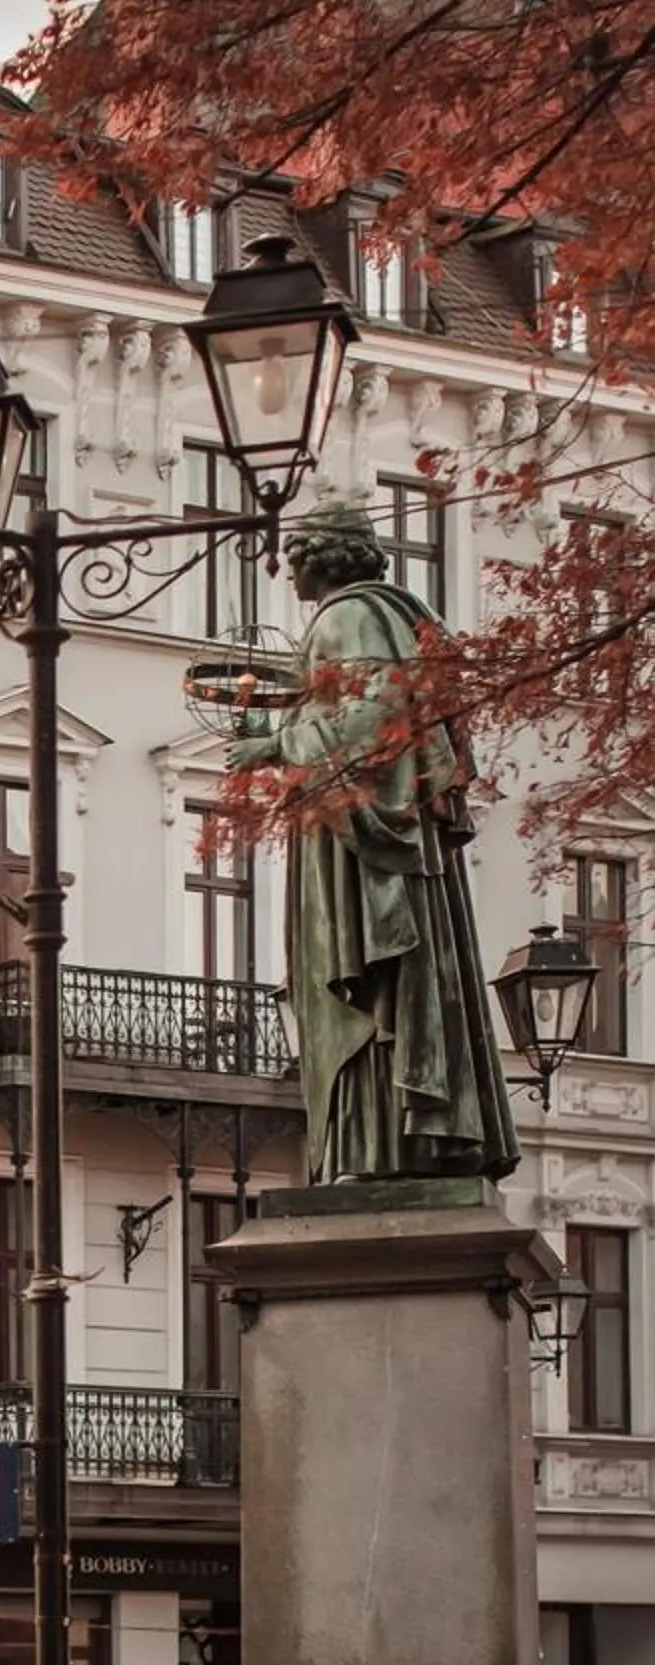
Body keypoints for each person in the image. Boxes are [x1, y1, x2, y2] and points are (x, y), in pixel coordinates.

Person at [229, 505, 519, 1187]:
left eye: (294, 554)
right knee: (381, 985)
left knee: (359, 983)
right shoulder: (391, 618)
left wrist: (273, 744)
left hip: (358, 849)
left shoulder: (346, 617)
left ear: (320, 558)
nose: (287, 568)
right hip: (359, 836)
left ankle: (375, 1150)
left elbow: (374, 719)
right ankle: (382, 1146)